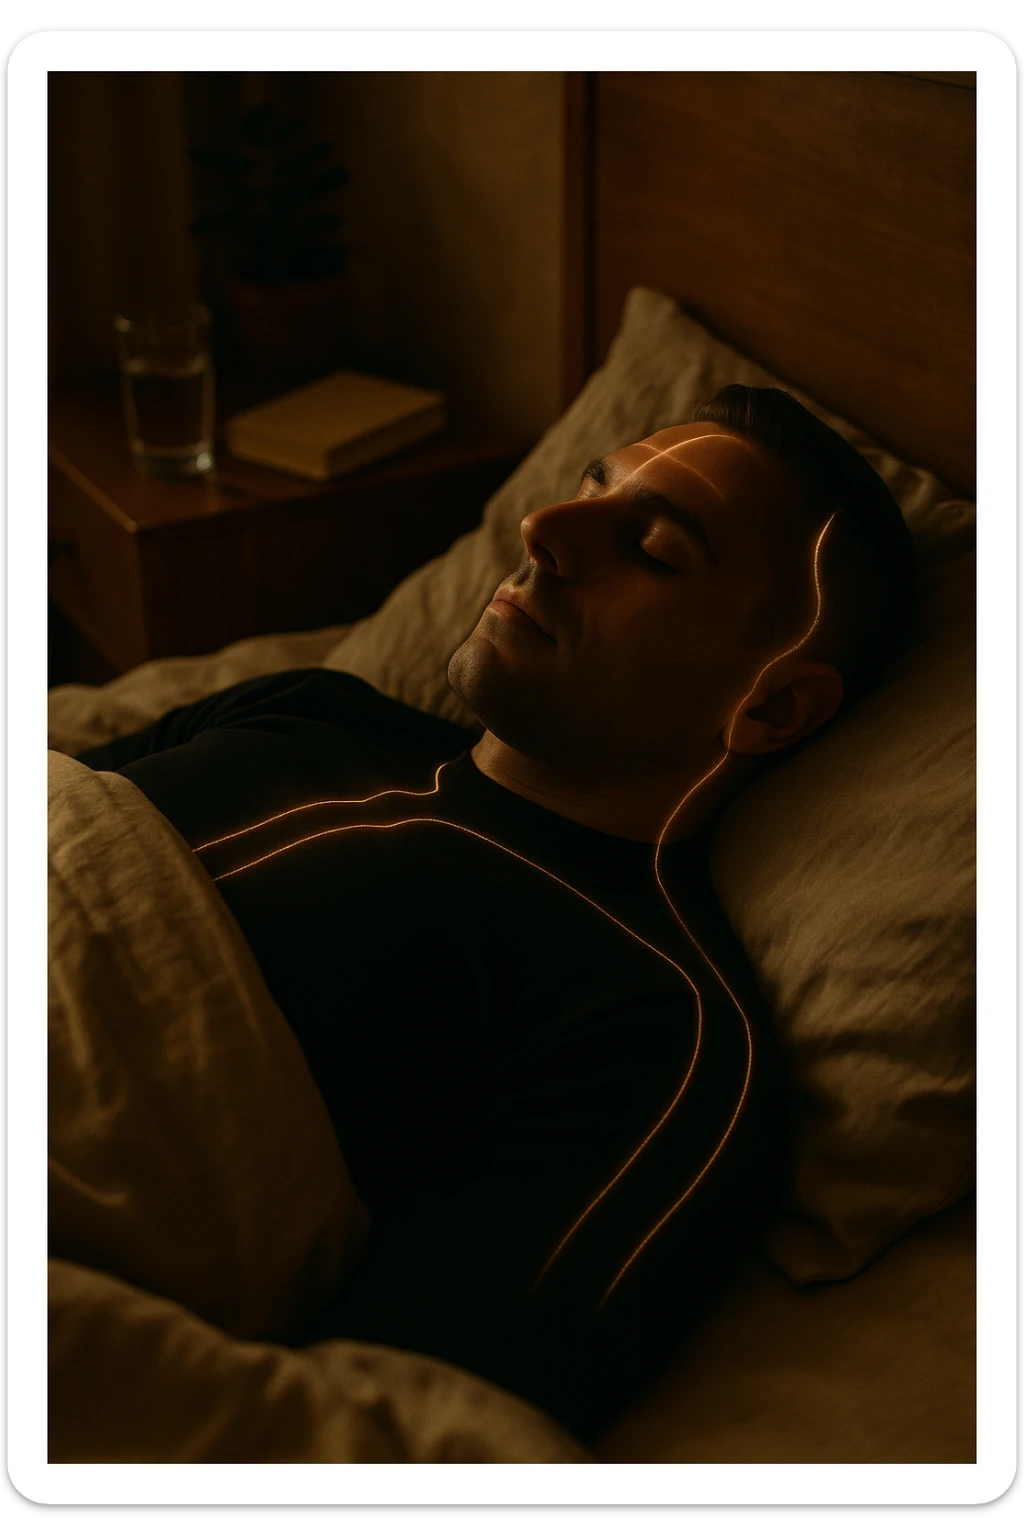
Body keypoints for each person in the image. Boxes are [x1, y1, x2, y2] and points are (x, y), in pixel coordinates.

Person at [76, 386, 916, 1440]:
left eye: (651, 549)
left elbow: (392, 1423)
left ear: (775, 702)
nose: (541, 530)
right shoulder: (305, 704)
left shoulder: (658, 1030)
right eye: (582, 490)